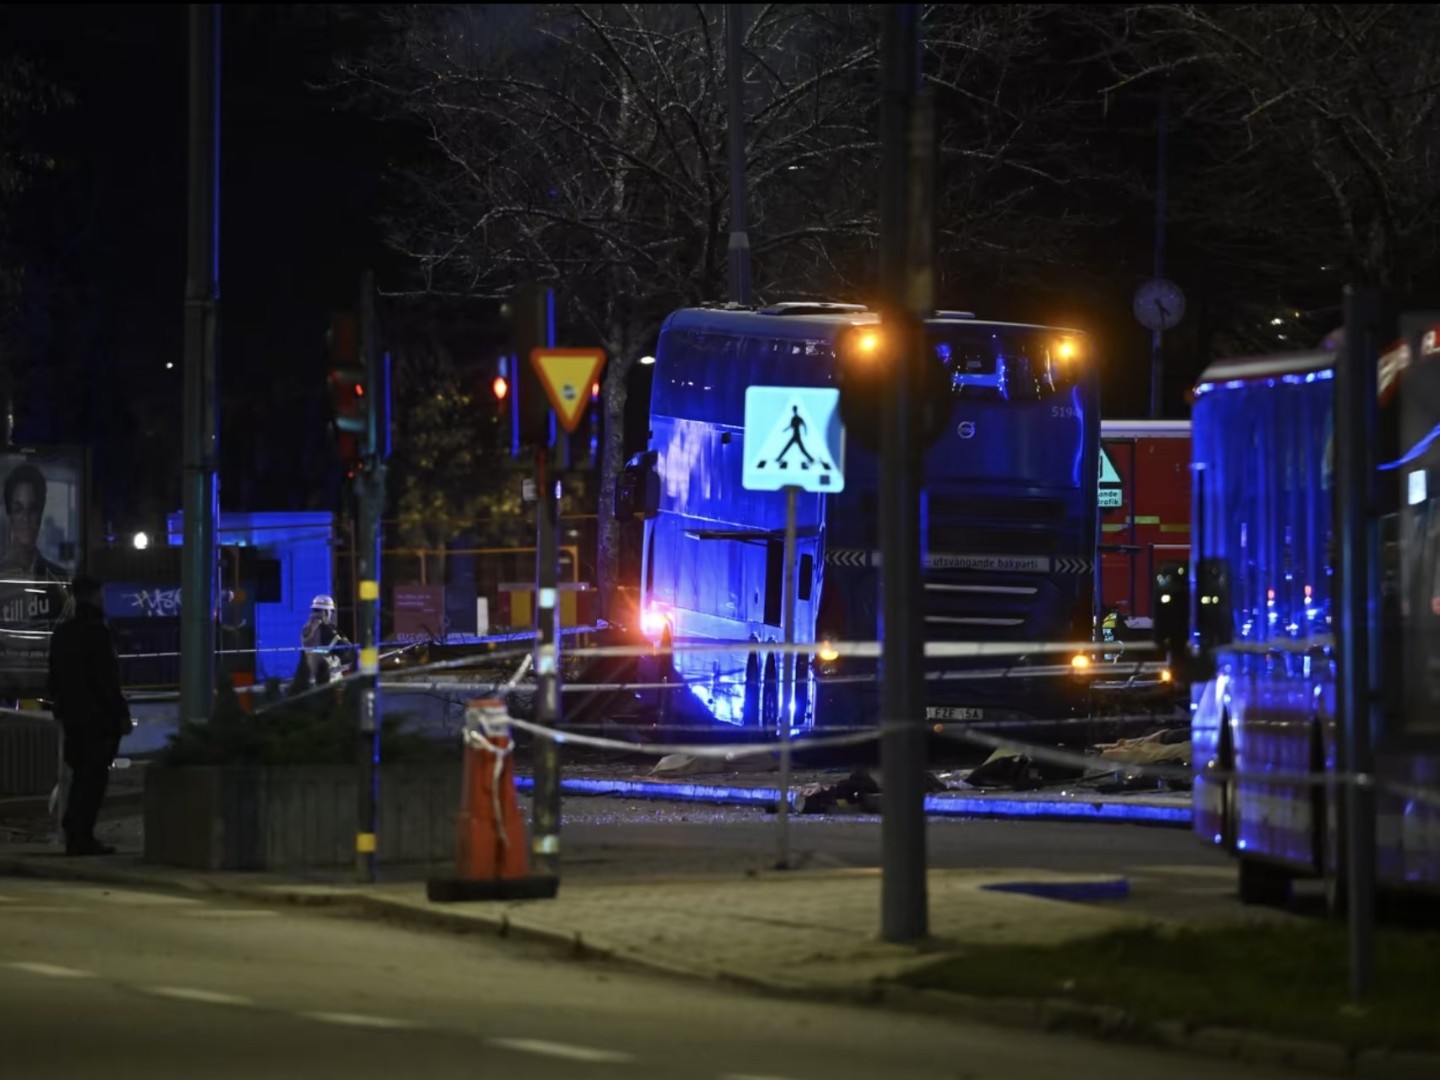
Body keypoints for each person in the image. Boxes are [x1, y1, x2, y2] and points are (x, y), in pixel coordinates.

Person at [47, 573, 133, 856]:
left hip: (72, 716)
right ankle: (81, 834)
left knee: (80, 775)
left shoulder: (63, 632)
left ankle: (75, 830)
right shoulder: (97, 631)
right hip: (96, 718)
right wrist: (119, 713)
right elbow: (105, 678)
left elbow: (55, 677)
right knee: (93, 778)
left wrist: (60, 708)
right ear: (95, 595)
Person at [0, 462, 70, 584]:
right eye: (18, 509)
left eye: (32, 509)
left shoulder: (58, 577)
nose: (26, 518)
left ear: (40, 513)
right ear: (9, 514)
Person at [299, 594, 354, 685]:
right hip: (328, 678)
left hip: (311, 676)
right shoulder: (326, 629)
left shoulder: (306, 628)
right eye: (331, 611)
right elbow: (345, 650)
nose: (331, 614)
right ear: (325, 612)